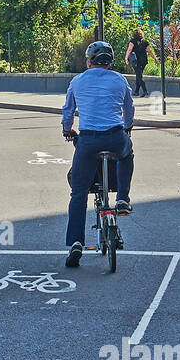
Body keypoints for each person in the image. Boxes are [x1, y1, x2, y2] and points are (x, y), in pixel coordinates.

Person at [61, 40, 135, 269]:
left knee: (78, 192)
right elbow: (129, 108)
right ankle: (122, 198)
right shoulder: (120, 80)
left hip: (88, 140)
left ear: (90, 60)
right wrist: (127, 127)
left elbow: (68, 110)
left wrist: (66, 129)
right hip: (114, 135)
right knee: (126, 153)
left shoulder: (77, 81)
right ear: (110, 62)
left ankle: (75, 242)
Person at [124, 29, 154, 97]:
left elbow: (129, 49)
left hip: (136, 61)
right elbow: (149, 51)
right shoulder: (145, 42)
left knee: (139, 76)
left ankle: (145, 91)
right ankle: (136, 91)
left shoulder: (132, 41)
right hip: (143, 61)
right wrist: (154, 59)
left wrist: (126, 58)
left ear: (134, 34)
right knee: (138, 75)